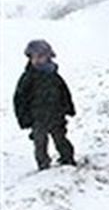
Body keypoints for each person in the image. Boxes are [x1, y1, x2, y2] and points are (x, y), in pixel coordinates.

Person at [13, 39, 76, 170]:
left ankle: (67, 159)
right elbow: (20, 99)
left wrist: (69, 108)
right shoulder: (28, 78)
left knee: (60, 139)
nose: (37, 60)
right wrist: (23, 118)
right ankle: (43, 164)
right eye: (34, 57)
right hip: (37, 118)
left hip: (56, 115)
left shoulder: (54, 76)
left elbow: (64, 92)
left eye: (40, 56)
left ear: (48, 57)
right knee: (40, 142)